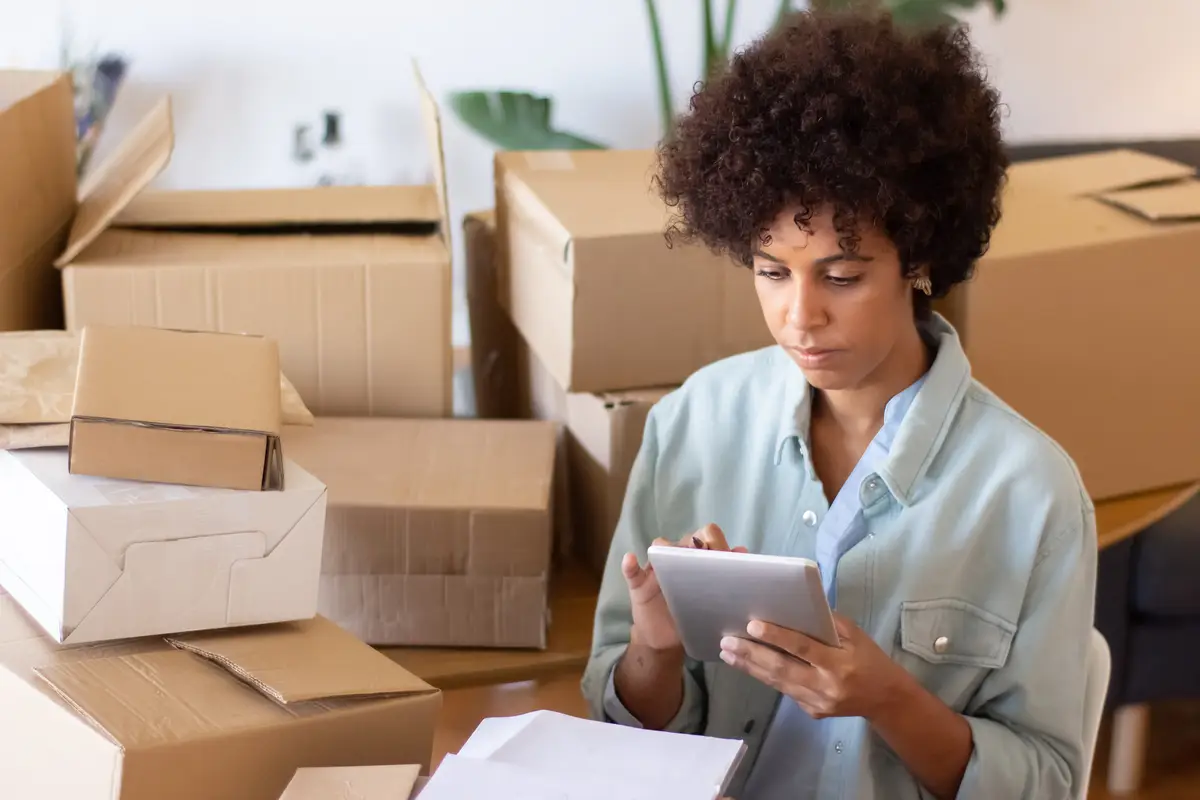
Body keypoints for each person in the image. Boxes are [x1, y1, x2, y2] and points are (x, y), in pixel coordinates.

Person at [581, 9, 1098, 800]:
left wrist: (889, 699)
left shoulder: (1031, 493)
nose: (800, 317)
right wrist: (655, 651)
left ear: (920, 260)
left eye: (843, 276)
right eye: (771, 271)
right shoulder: (694, 424)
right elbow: (617, 721)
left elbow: (1047, 782)